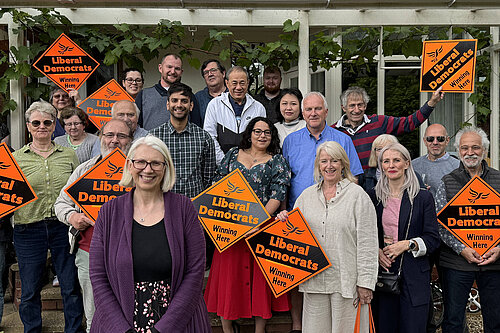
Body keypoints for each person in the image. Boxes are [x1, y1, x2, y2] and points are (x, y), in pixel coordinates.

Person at [89, 135, 211, 332]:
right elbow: (98, 275)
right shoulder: (109, 212)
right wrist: (121, 329)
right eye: (141, 162)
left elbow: (195, 272)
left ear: (165, 168)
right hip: (120, 322)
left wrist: (164, 328)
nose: (148, 169)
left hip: (177, 321)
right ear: (129, 165)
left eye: (156, 163)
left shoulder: (184, 208)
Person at [277, 141, 378, 332]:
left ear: (343, 165)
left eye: (335, 161)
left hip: (347, 283)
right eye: (324, 161)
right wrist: (283, 220)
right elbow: (294, 234)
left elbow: (368, 244)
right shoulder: (306, 197)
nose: (329, 166)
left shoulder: (358, 196)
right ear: (318, 165)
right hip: (314, 282)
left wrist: (365, 283)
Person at [204, 117, 291, 333]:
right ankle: (227, 328)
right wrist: (233, 221)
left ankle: (259, 329)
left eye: (267, 132)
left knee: (260, 279)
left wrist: (256, 221)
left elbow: (277, 195)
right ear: (249, 133)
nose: (262, 136)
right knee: (229, 277)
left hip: (261, 226)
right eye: (257, 131)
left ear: (272, 137)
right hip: (230, 227)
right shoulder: (233, 154)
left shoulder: (277, 160)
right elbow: (218, 183)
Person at [55, 119, 134, 333]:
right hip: (90, 253)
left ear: (130, 140)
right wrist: (72, 217)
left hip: (132, 254)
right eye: (109, 135)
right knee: (94, 315)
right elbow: (61, 203)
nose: (114, 141)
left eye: (121, 136)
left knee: (130, 312)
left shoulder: (139, 171)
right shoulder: (85, 169)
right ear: (101, 138)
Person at [12, 100, 83, 332]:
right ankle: (32, 329)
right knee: (31, 288)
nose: (41, 126)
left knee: (70, 284)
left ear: (54, 126)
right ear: (28, 126)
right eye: (36, 122)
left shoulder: (69, 156)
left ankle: (73, 329)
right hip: (28, 227)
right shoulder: (16, 159)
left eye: (47, 122)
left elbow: (78, 190)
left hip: (63, 227)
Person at [368, 143, 440, 333]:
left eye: (396, 160)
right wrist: (375, 250)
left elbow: (433, 239)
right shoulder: (373, 197)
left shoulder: (423, 197)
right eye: (386, 161)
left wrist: (408, 244)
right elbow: (364, 234)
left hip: (414, 274)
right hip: (384, 273)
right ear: (381, 166)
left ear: (407, 163)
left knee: (413, 327)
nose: (391, 165)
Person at [434, 126, 500, 333]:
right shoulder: (448, 181)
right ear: (458, 151)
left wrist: (499, 249)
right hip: (456, 264)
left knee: (496, 320)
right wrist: (462, 249)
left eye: (475, 147)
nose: (469, 152)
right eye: (464, 148)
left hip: (494, 263)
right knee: (453, 320)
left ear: (484, 151)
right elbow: (440, 225)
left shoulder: (499, 180)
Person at [283, 91, 363, 211]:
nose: (313, 113)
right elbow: (284, 180)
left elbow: (353, 176)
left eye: (318, 109)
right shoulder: (290, 141)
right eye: (309, 109)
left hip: (334, 210)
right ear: (303, 114)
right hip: (298, 210)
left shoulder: (343, 140)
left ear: (326, 112)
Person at [332, 86, 445, 169]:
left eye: (360, 105)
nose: (356, 110)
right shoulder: (333, 131)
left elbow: (409, 123)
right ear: (344, 107)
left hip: (375, 184)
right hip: (346, 187)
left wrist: (432, 103)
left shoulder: (379, 122)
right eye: (352, 106)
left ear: (365, 106)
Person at [150, 83, 216, 199]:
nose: (179, 105)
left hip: (194, 203)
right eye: (174, 100)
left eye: (184, 101)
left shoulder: (204, 138)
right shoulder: (154, 137)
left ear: (191, 106)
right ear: (168, 105)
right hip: (163, 202)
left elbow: (208, 176)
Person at [203, 66, 266, 164]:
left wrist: (249, 163)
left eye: (242, 83)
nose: (238, 87)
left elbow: (262, 139)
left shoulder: (258, 108)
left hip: (250, 165)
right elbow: (209, 137)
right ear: (227, 83)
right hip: (221, 165)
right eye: (234, 83)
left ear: (248, 83)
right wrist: (224, 162)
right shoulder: (215, 105)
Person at [135, 54, 183, 130]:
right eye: (169, 67)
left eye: (177, 68)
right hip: (149, 141)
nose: (173, 71)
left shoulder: (188, 96)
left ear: (181, 72)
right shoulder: (143, 95)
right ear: (160, 68)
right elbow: (136, 126)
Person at [412, 124, 459, 198]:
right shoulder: (413, 165)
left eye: (440, 139)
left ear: (447, 140)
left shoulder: (458, 166)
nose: (435, 142)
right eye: (430, 139)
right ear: (424, 141)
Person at [193, 59, 227, 128]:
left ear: (223, 73)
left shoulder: (233, 95)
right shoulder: (198, 98)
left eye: (213, 70)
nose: (210, 74)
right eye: (206, 72)